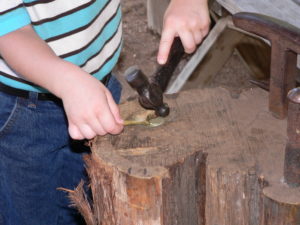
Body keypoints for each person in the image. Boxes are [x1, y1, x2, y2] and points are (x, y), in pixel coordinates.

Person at [0, 0, 210, 224]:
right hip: (24, 110)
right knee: (30, 214)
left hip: (99, 87)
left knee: (86, 206)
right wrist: (66, 81)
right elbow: (7, 27)